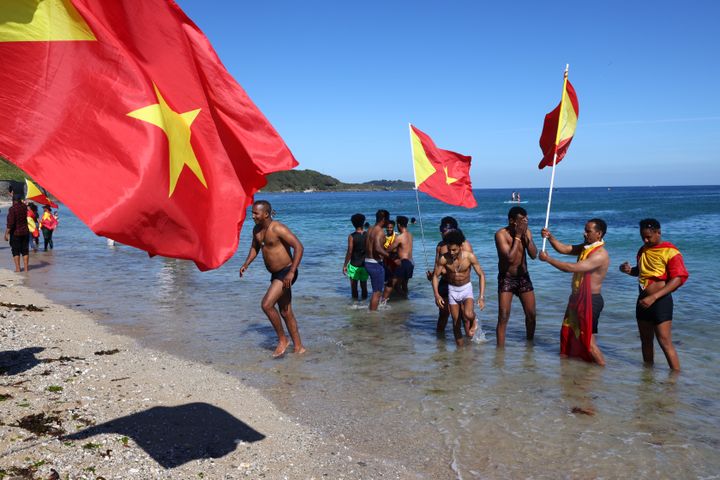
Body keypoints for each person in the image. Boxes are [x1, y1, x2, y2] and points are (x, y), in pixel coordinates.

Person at [620, 218, 688, 371]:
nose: (645, 240)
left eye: (648, 237)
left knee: (664, 341)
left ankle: (675, 380)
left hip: (660, 301)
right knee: (645, 341)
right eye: (642, 236)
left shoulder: (670, 251)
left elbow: (678, 279)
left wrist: (654, 297)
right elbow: (642, 272)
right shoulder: (643, 250)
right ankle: (647, 377)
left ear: (658, 233)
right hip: (643, 301)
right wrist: (628, 270)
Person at [239, 200, 305, 357]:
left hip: (287, 271)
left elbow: (299, 247)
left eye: (256, 213)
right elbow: (255, 248)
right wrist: (246, 264)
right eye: (252, 213)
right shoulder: (256, 230)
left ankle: (283, 340)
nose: (253, 216)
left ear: (266, 214)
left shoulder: (277, 228)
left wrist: (292, 272)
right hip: (276, 274)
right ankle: (299, 348)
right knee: (285, 311)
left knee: (267, 305)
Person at [540, 219, 610, 366]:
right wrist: (550, 237)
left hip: (590, 301)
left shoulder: (600, 254)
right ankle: (570, 373)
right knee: (569, 336)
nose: (584, 233)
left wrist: (548, 259)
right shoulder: (587, 247)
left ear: (599, 234)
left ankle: (602, 370)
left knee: (589, 343)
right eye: (585, 229)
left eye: (588, 231)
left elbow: (571, 267)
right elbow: (565, 249)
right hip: (577, 298)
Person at [432, 230, 486, 346]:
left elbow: (481, 275)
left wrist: (481, 297)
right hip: (452, 290)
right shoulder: (443, 259)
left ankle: (474, 319)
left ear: (461, 247)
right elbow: (435, 277)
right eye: (449, 249)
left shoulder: (470, 257)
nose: (451, 252)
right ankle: (460, 350)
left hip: (466, 289)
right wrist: (437, 295)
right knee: (455, 322)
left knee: (467, 314)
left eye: (454, 250)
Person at [495, 206, 538, 347]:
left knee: (531, 315)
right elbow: (510, 259)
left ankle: (529, 346)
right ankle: (500, 352)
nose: (523, 224)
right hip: (507, 278)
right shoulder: (501, 234)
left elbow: (533, 255)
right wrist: (518, 237)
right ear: (511, 221)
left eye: (526, 220)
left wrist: (525, 236)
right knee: (503, 316)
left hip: (523, 277)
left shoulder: (527, 232)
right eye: (521, 221)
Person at [426, 217, 474, 335]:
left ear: (453, 230)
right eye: (441, 229)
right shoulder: (440, 246)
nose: (442, 232)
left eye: (444, 230)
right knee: (443, 314)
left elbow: (468, 269)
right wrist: (433, 276)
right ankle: (440, 345)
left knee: (463, 315)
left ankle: (469, 342)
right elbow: (437, 268)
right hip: (444, 283)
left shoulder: (464, 245)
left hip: (459, 285)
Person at [382, 215, 414, 302]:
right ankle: (406, 299)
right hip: (411, 262)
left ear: (399, 225)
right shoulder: (410, 235)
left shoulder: (400, 237)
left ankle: (382, 303)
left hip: (403, 262)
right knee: (404, 284)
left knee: (391, 284)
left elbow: (389, 249)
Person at [364, 209, 390, 311]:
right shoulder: (380, 231)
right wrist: (389, 256)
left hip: (367, 261)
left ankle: (371, 310)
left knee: (375, 291)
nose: (388, 222)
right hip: (375, 264)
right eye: (387, 219)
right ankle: (373, 317)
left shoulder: (370, 229)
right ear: (383, 219)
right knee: (377, 292)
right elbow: (378, 248)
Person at [343, 213, 369, 300]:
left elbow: (350, 251)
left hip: (354, 264)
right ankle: (365, 303)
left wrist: (345, 265)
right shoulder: (367, 235)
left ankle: (355, 306)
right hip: (365, 265)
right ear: (363, 223)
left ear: (353, 223)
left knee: (354, 288)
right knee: (364, 286)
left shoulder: (351, 236)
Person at [5, 193, 30, 272]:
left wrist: (6, 233)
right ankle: (26, 269)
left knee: (15, 251)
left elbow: (11, 223)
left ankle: (18, 268)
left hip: (16, 233)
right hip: (25, 232)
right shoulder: (24, 207)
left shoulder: (12, 209)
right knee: (25, 250)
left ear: (14, 201)